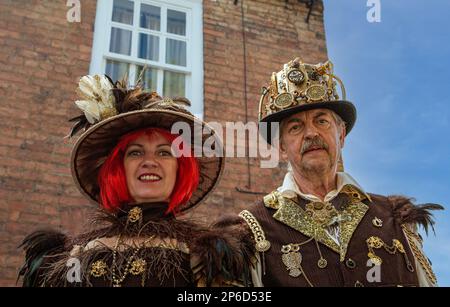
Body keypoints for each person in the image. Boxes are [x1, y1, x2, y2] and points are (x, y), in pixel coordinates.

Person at [220, 57, 443, 287]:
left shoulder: (396, 219)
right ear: (281, 148)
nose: (311, 133)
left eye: (322, 121)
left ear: (341, 135)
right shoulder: (250, 231)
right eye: (295, 127)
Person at [18, 75, 252, 287]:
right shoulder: (71, 255)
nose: (149, 161)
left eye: (164, 153)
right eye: (136, 152)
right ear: (118, 168)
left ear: (181, 169)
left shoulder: (208, 255)